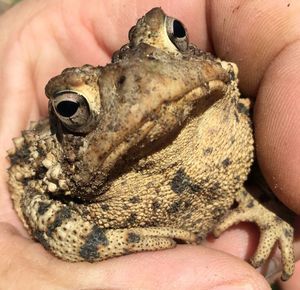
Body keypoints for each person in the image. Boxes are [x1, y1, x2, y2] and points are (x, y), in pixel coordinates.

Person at [0, 0, 299, 289]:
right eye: (71, 107)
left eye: (176, 34)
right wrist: (103, 242)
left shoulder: (228, 114)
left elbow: (264, 143)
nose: (150, 85)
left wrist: (269, 205)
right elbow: (34, 199)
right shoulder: (53, 163)